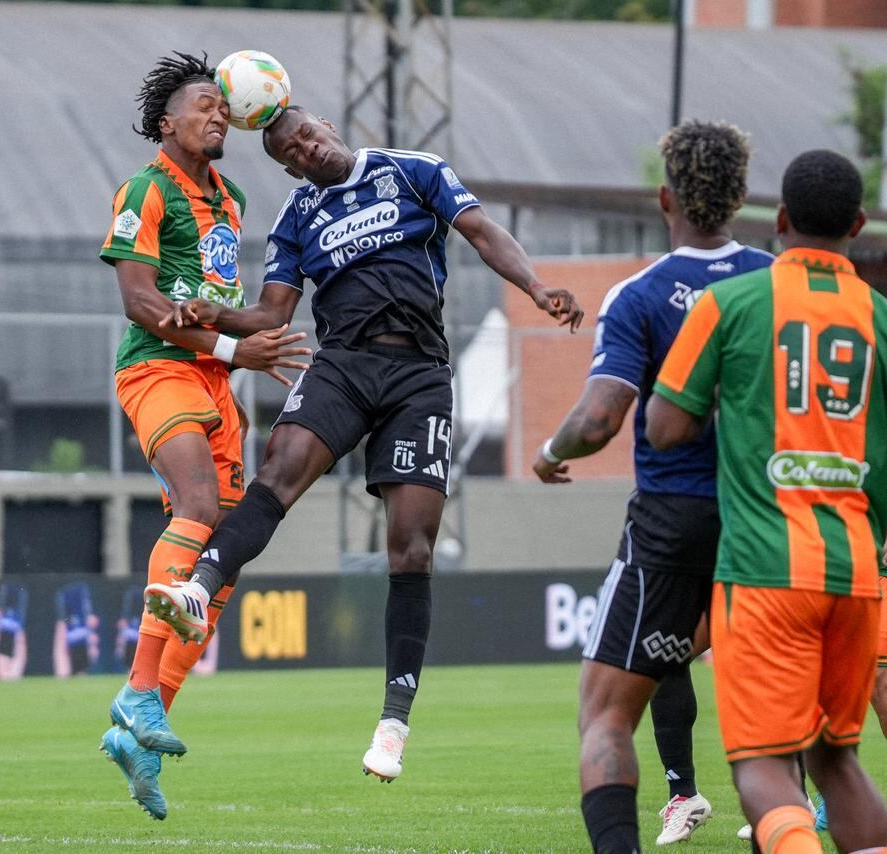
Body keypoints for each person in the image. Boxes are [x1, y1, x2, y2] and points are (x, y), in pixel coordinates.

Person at [144, 105, 583, 781]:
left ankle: (393, 723)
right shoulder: (297, 216)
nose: (309, 149)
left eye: (310, 134)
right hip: (343, 365)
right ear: (288, 165)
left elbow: (481, 232)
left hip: (419, 376)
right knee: (277, 473)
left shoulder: (413, 171)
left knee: (410, 547)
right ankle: (199, 589)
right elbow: (271, 313)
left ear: (328, 125)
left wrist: (536, 286)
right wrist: (215, 314)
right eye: (294, 150)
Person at [532, 119, 773, 850]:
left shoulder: (642, 293)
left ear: (664, 197)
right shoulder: (776, 281)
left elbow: (601, 417)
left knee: (605, 714)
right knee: (778, 727)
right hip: (771, 518)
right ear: (740, 197)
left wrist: (548, 451)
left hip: (676, 522)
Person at [647, 148, 887, 853]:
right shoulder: (879, 314)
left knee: (760, 765)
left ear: (779, 220)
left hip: (764, 568)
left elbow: (664, 427)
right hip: (857, 573)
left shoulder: (732, 303)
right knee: (837, 759)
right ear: (859, 224)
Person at [97, 51, 310, 821]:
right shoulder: (145, 189)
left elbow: (239, 311)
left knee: (219, 555)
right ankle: (137, 694)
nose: (218, 114)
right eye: (202, 104)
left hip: (215, 384)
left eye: (223, 106)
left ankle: (144, 719)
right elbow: (139, 300)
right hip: (158, 370)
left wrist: (256, 322)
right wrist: (227, 343)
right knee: (194, 503)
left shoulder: (232, 196)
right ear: (168, 122)